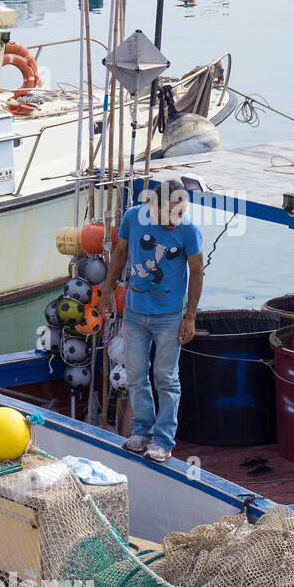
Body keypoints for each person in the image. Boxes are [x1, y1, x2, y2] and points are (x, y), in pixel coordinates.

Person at [100, 179, 204, 463]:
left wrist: (190, 317)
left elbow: (197, 271)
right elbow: (120, 253)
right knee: (135, 374)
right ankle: (142, 431)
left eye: (181, 213)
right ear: (152, 207)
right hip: (134, 312)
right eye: (171, 214)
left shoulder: (189, 231)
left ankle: (163, 440)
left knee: (166, 378)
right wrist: (107, 292)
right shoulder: (133, 218)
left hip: (170, 317)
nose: (176, 220)